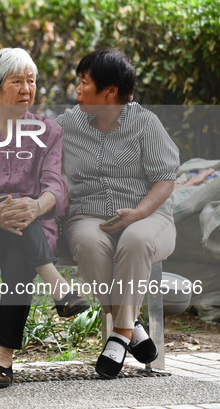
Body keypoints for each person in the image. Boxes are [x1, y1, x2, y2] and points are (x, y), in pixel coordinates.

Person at [0, 47, 90, 389]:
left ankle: (2, 362)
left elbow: (54, 187)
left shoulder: (49, 132)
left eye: (31, 81)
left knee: (19, 250)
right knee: (8, 205)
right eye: (17, 81)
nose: (27, 89)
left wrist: (35, 206)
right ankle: (58, 286)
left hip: (32, 231)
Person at [57, 48, 180, 379]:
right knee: (85, 241)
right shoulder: (68, 124)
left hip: (150, 217)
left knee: (136, 241)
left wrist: (138, 213)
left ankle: (120, 332)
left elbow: (166, 179)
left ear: (109, 91)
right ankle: (132, 327)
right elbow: (37, 149)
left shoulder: (145, 124)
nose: (77, 90)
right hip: (89, 216)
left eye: (84, 83)